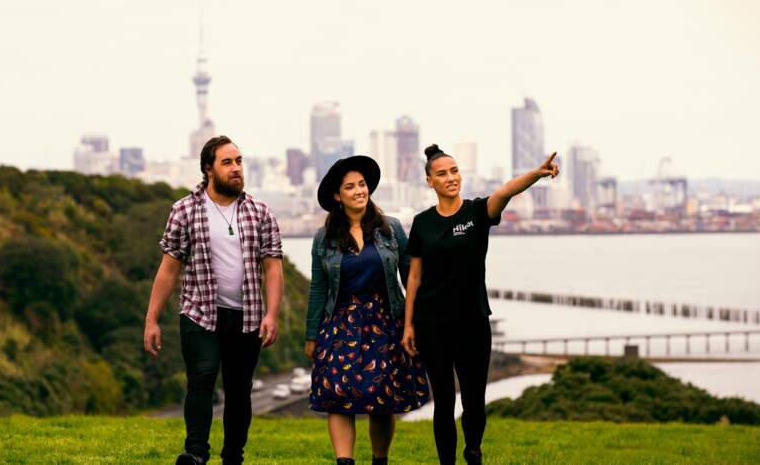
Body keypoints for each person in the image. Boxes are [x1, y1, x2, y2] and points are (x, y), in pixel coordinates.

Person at [401, 144, 558, 465]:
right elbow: (414, 277)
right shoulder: (422, 223)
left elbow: (505, 192)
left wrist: (536, 175)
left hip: (472, 320)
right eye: (442, 174)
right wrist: (409, 325)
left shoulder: (477, 213)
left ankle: (473, 452)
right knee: (444, 400)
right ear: (429, 182)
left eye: (455, 171)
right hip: (432, 322)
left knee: (474, 400)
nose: (451, 178)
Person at [143, 135, 284, 465]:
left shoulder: (260, 212)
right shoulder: (184, 210)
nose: (236, 169)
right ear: (208, 169)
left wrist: (272, 314)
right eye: (227, 163)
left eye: (238, 161)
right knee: (201, 380)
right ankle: (195, 454)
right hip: (199, 312)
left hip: (247, 316)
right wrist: (151, 319)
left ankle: (233, 456)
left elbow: (274, 267)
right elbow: (168, 269)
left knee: (238, 391)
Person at [305, 156, 430, 465]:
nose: (359, 191)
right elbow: (318, 289)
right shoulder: (324, 238)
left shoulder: (392, 229)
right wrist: (311, 335)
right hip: (339, 323)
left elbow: (411, 278)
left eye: (362, 185)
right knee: (337, 395)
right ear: (338, 195)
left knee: (383, 398)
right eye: (350, 187)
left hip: (386, 321)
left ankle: (379, 460)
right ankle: (344, 462)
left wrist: (415, 323)